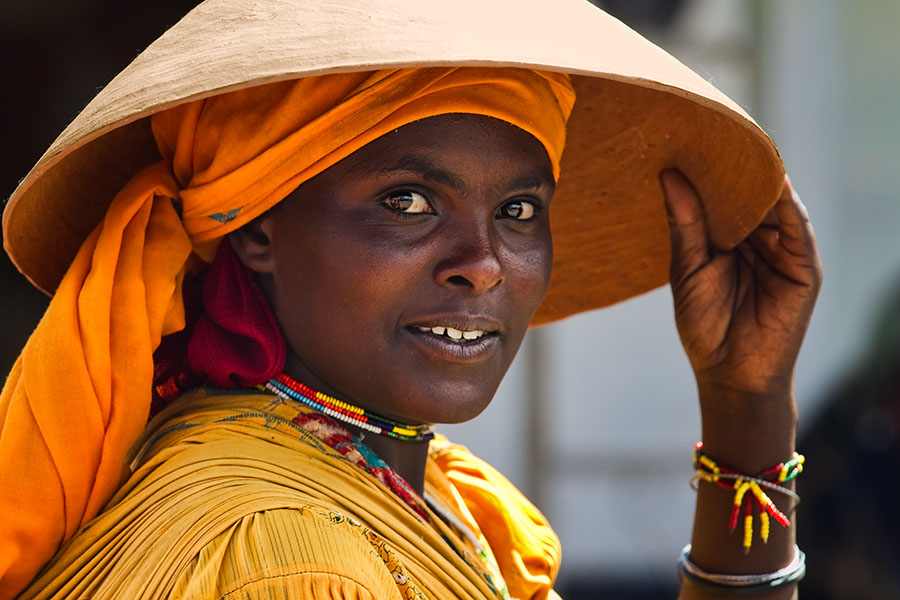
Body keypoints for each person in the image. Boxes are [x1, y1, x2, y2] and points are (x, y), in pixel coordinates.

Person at [0, 0, 821, 598]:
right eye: (408, 203)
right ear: (256, 228)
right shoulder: (286, 556)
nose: (485, 264)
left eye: (519, 211)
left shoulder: (393, 494)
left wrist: (746, 405)